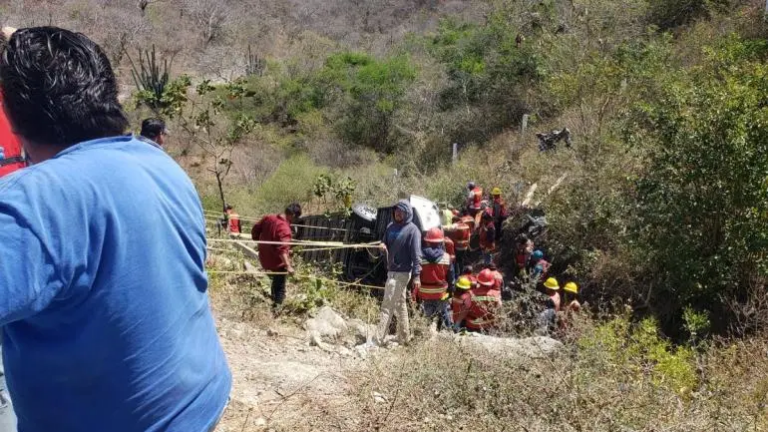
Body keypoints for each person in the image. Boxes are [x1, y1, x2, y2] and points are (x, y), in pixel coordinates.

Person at [0, 27, 231, 432]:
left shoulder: (32, 201)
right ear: (107, 93)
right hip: (202, 401)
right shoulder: (158, 163)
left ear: (13, 118)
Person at [375, 200, 422, 346]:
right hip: (391, 271)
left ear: (407, 213)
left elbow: (417, 256)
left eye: (401, 211)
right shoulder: (390, 226)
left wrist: (417, 276)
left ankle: (377, 340)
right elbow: (384, 242)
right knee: (400, 304)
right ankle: (404, 337)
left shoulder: (413, 231)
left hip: (402, 274)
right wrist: (382, 246)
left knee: (387, 305)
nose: (398, 213)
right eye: (396, 210)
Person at [251, 203, 302, 312]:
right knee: (280, 287)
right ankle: (276, 310)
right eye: (296, 218)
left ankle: (273, 299)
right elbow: (282, 250)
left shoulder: (268, 218)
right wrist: (288, 266)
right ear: (293, 215)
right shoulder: (285, 229)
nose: (295, 220)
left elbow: (255, 229)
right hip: (276, 261)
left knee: (275, 280)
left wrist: (259, 241)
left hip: (264, 257)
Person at [415, 228, 453, 331]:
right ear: (441, 241)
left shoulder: (419, 257)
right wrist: (450, 291)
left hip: (424, 292)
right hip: (441, 293)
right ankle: (449, 331)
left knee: (426, 316)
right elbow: (451, 278)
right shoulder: (447, 257)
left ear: (427, 241)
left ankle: (424, 332)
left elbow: (416, 275)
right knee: (444, 312)